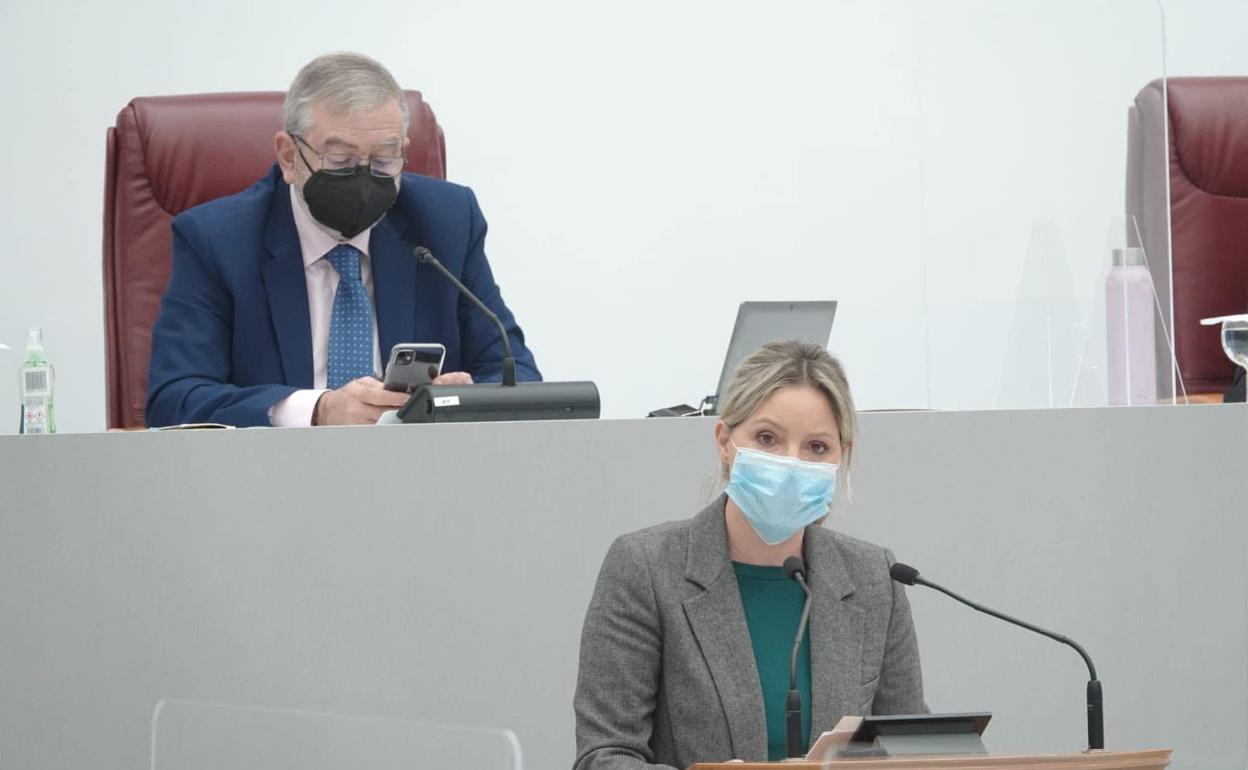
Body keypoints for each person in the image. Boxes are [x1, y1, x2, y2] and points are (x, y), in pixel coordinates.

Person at [573, 341, 925, 769]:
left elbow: (912, 751)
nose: (790, 462)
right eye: (767, 439)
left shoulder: (875, 579)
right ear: (724, 441)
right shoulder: (646, 568)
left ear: (841, 458)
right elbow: (604, 756)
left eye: (816, 447)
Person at [146, 52, 540, 428]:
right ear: (288, 156)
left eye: (383, 161)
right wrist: (319, 410)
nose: (364, 179)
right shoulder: (218, 240)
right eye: (340, 161)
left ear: (403, 151)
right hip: (272, 478)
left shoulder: (446, 223)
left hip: (418, 476)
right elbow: (176, 400)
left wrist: (460, 401)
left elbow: (515, 374)